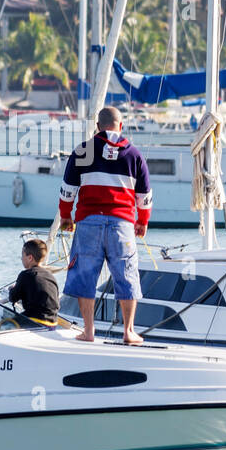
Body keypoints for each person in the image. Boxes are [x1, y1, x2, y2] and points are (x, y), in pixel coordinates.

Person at [59, 106, 152, 343]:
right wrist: (142, 222)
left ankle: (88, 331)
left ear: (97, 127)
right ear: (120, 126)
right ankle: (129, 331)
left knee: (85, 274)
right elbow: (145, 197)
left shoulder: (82, 151)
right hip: (122, 224)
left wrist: (66, 216)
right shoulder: (135, 155)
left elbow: (67, 191)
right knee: (126, 274)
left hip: (89, 221)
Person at [8, 238, 60, 324]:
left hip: (35, 321)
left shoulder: (25, 275)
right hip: (52, 322)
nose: (21, 258)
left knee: (5, 323)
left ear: (30, 258)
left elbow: (13, 298)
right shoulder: (51, 276)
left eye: (22, 255)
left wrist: (11, 289)